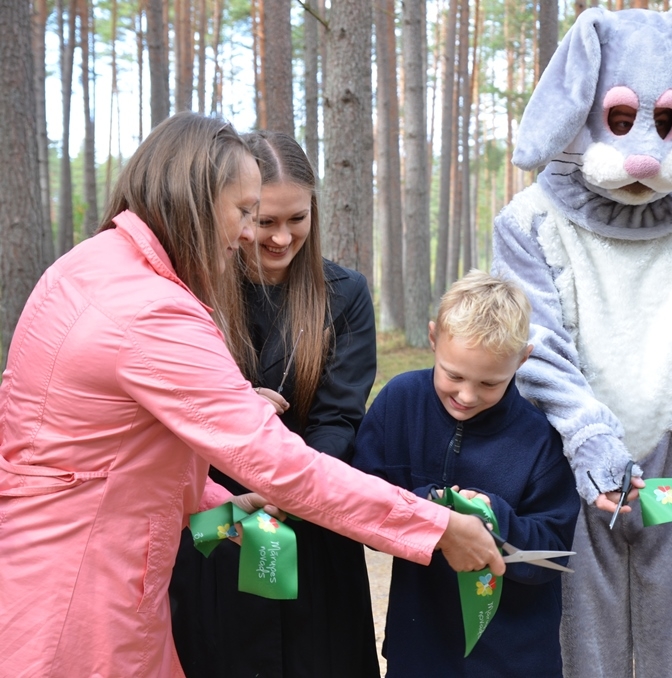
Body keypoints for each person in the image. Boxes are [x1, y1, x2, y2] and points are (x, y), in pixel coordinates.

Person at [0, 112, 503, 677]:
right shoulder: (151, 311)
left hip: (69, 570)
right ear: (194, 197)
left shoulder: (92, 265)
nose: (251, 233)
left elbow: (110, 452)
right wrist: (434, 527)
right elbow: (280, 464)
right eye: (245, 212)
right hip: (84, 595)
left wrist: (214, 501)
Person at [491, 9, 672, 676]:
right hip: (564, 460)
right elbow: (538, 349)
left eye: (664, 122)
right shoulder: (529, 222)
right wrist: (589, 439)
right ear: (584, 107)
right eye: (620, 121)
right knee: (578, 650)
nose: (644, 147)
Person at [169, 130, 380, 676]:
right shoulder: (193, 293)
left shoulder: (346, 293)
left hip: (314, 522)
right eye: (265, 221)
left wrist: (289, 489)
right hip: (218, 526)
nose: (283, 238)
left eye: (297, 219)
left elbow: (340, 416)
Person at [350, 270, 579, 677]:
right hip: (420, 648)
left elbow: (553, 556)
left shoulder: (540, 439)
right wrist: (429, 512)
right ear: (434, 338)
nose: (467, 396)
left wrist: (496, 519)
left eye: (490, 383)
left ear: (522, 359)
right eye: (453, 375)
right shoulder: (400, 404)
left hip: (515, 658)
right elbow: (359, 502)